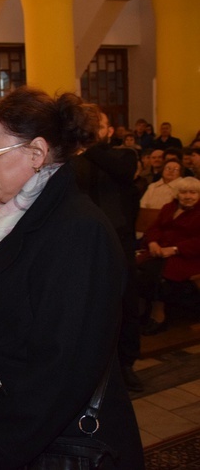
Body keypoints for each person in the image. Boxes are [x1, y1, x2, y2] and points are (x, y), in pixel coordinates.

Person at [0, 87, 143, 470]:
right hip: (8, 419)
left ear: (36, 153)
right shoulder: (7, 219)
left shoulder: (78, 231)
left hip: (50, 438)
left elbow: (64, 368)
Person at [74, 110, 142, 392]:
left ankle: (126, 364)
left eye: (97, 126)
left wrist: (88, 144)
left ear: (108, 131)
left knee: (124, 302)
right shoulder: (73, 160)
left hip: (119, 240)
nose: (91, 130)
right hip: (84, 242)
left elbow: (122, 171)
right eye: (86, 126)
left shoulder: (124, 155)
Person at [138, 176, 200, 335]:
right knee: (137, 269)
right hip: (159, 251)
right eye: (183, 192)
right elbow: (155, 228)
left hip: (187, 256)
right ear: (176, 194)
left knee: (160, 275)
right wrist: (152, 242)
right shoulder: (168, 207)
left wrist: (175, 249)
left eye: (193, 192)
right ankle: (142, 310)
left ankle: (158, 315)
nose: (188, 196)